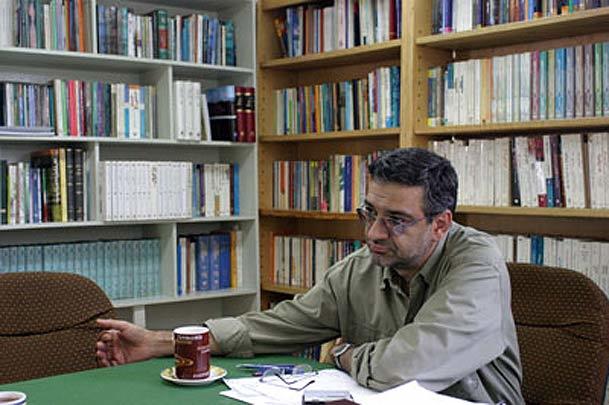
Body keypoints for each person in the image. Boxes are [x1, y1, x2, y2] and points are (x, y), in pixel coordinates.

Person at [96, 147, 524, 404]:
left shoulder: (477, 264)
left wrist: (343, 354)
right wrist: (161, 342)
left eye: (396, 220)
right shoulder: (362, 267)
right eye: (369, 213)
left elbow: (404, 367)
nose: (373, 233)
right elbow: (277, 326)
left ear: (441, 223)